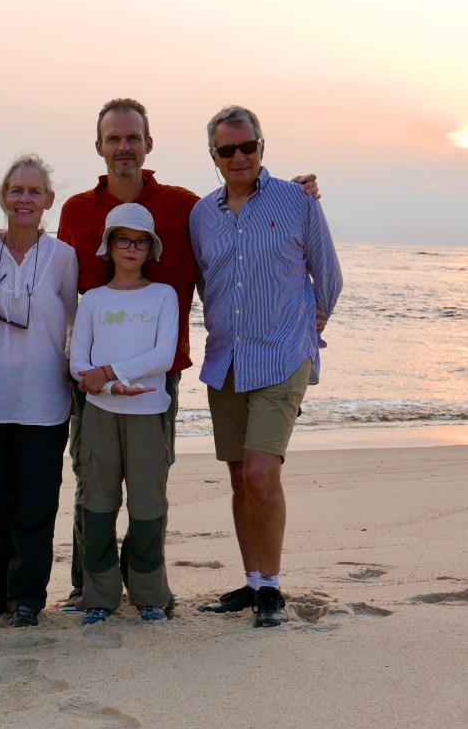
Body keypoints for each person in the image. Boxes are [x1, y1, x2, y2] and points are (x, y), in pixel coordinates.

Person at [56, 98, 320, 611]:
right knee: (93, 482)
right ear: (99, 146)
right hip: (91, 380)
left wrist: (293, 197)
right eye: (114, 138)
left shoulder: (185, 206)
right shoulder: (75, 210)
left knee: (150, 483)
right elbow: (64, 295)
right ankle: (87, 587)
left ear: (148, 144)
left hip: (160, 374)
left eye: (133, 138)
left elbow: (241, 233)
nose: (124, 147)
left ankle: (147, 588)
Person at [190, 105, 342, 626]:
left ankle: (273, 587)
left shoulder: (297, 201)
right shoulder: (202, 215)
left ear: (261, 146)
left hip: (282, 354)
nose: (238, 156)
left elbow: (328, 275)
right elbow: (202, 282)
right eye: (226, 149)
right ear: (213, 155)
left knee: (261, 470)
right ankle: (252, 581)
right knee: (239, 476)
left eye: (247, 146)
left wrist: (313, 324)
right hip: (226, 358)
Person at [0, 155, 79, 628]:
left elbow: (73, 324)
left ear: (49, 200)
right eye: (16, 190)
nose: (25, 199)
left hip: (44, 402)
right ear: (2, 196)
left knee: (36, 505)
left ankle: (29, 598)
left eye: (35, 191)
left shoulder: (63, 257)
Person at [69, 203, 178, 624]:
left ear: (151, 248)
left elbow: (164, 355)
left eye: (140, 241)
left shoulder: (163, 295)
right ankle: (99, 596)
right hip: (100, 412)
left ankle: (149, 594)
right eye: (122, 239)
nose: (131, 248)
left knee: (148, 505)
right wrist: (111, 387)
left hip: (148, 412)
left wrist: (112, 372)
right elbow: (79, 362)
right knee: (97, 504)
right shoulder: (93, 300)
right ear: (109, 245)